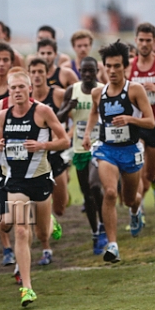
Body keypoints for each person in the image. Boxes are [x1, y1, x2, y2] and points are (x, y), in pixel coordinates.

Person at [0, 68, 69, 306]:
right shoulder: (3, 116)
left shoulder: (42, 111)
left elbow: (64, 141)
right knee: (21, 231)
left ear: (29, 89)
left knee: (42, 233)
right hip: (15, 180)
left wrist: (42, 145)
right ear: (9, 91)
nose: (17, 92)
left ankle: (46, 221)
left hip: (40, 179)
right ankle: (27, 288)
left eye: (20, 87)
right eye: (12, 88)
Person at [83, 41, 155, 263]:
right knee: (111, 193)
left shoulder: (135, 90)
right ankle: (112, 245)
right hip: (107, 150)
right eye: (108, 66)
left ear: (125, 67)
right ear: (103, 67)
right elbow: (94, 113)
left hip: (130, 150)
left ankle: (135, 212)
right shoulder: (98, 92)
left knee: (129, 199)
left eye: (116, 66)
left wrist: (130, 119)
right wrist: (87, 133)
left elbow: (151, 121)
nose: (112, 71)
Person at [56, 57, 107, 255]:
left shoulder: (103, 89)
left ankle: (103, 225)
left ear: (96, 71)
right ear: (79, 70)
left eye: (91, 71)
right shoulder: (72, 90)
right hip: (79, 149)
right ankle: (95, 231)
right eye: (83, 71)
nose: (87, 75)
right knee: (87, 193)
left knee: (96, 187)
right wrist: (69, 107)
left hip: (100, 147)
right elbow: (59, 118)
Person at [29, 58, 67, 265]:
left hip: (54, 155)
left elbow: (70, 121)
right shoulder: (22, 101)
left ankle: (52, 217)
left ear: (46, 74)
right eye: (33, 71)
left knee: (60, 208)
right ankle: (46, 248)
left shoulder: (57, 95)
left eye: (40, 71)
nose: (36, 75)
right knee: (36, 211)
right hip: (33, 163)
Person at [128, 23, 155, 204]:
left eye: (148, 41)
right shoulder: (129, 66)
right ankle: (137, 209)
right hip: (137, 123)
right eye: (141, 40)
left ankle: (153, 181)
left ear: (154, 41)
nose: (144, 44)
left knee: (150, 174)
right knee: (137, 167)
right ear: (136, 41)